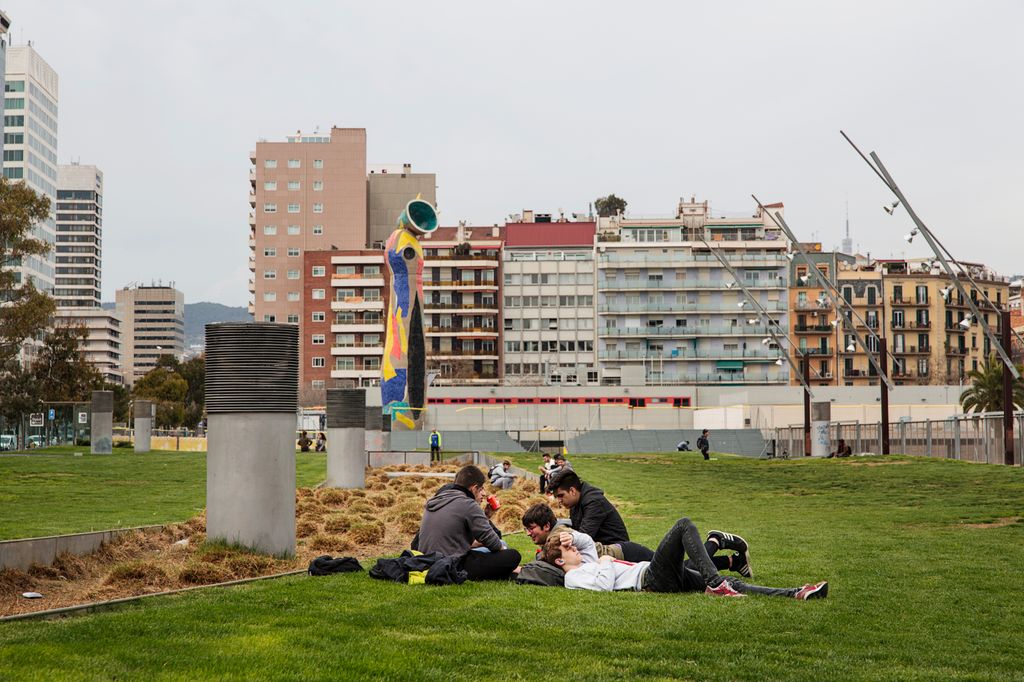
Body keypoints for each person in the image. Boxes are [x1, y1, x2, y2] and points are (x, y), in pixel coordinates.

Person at [544, 517, 827, 600]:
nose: (576, 551)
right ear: (559, 561)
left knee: (732, 582)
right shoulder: (574, 577)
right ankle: (716, 583)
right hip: (650, 579)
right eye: (569, 550)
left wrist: (568, 536)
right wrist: (605, 564)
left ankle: (795, 593)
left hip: (655, 575)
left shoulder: (584, 559)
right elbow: (603, 587)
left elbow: (586, 542)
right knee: (683, 526)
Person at [521, 503, 752, 577]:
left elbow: (565, 543)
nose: (530, 534)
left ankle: (714, 542)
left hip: (626, 554)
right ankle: (731, 562)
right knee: (680, 569)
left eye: (531, 528)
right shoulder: (551, 538)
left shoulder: (559, 535)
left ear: (546, 526)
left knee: (677, 570)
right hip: (622, 553)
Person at [415, 465, 521, 581]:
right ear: (474, 488)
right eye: (481, 489)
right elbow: (493, 542)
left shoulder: (437, 499)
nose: (484, 493)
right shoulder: (468, 504)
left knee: (496, 547)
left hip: (426, 560)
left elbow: (458, 538)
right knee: (512, 555)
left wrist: (485, 515)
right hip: (452, 564)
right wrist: (504, 553)